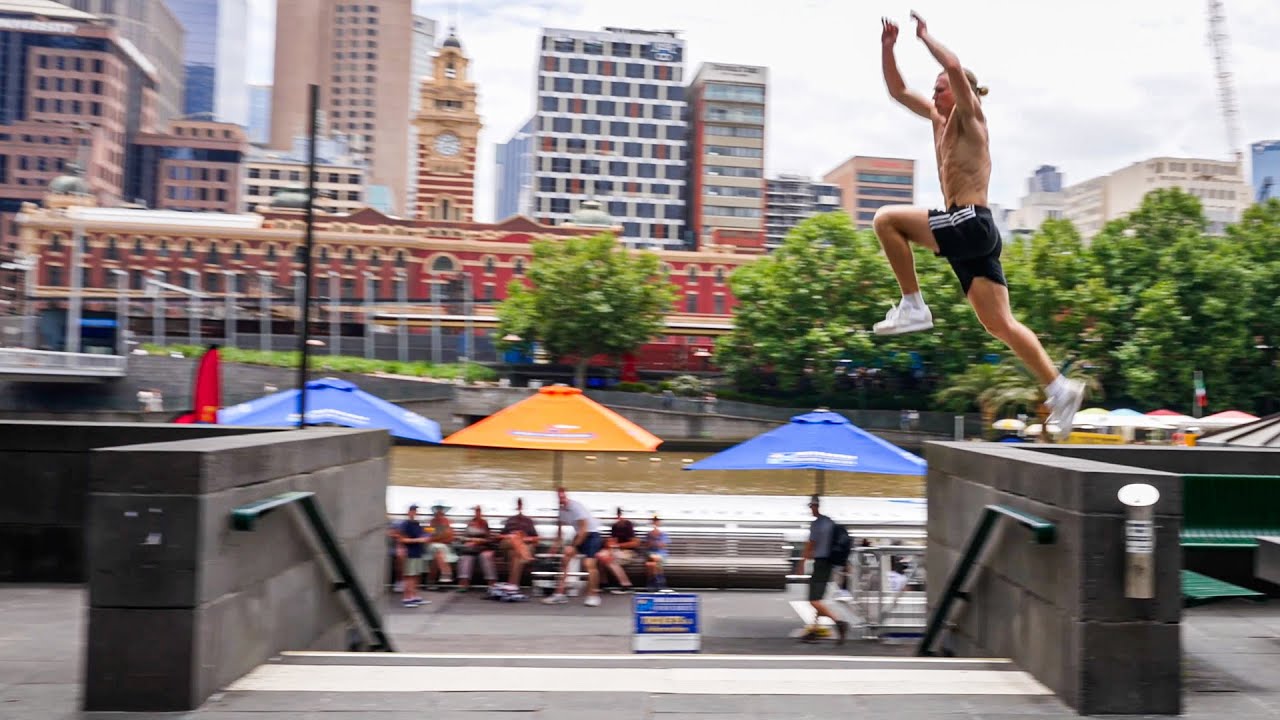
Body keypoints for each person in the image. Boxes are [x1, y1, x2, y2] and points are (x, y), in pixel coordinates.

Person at [873, 12, 1084, 439]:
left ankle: (913, 304)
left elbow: (953, 67)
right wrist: (888, 47)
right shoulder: (937, 121)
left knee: (886, 220)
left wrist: (925, 36)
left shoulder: (972, 119)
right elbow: (897, 90)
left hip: (969, 220)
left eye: (940, 88)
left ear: (961, 91)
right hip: (973, 233)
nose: (934, 93)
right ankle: (1059, 388)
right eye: (933, 89)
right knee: (999, 324)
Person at [797, 496, 848, 644]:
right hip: (829, 563)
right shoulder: (829, 522)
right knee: (818, 598)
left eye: (811, 506)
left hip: (820, 564)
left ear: (814, 506)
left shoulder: (817, 524)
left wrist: (801, 563)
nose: (811, 509)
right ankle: (814, 629)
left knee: (813, 600)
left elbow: (810, 545)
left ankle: (839, 622)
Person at [542, 488, 604, 607]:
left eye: (563, 497)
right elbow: (559, 532)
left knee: (589, 564)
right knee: (565, 558)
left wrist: (573, 546)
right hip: (580, 534)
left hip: (592, 535)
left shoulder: (576, 507)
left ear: (566, 496)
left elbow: (584, 529)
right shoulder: (561, 510)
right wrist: (554, 547)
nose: (562, 500)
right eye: (560, 498)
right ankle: (559, 594)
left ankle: (594, 595)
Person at [456, 505, 497, 592]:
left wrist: (478, 541)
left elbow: (489, 539)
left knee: (486, 557)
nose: (477, 513)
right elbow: (463, 537)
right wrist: (470, 540)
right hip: (470, 549)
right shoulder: (470, 523)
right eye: (476, 511)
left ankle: (492, 583)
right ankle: (464, 583)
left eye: (479, 511)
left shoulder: (484, 523)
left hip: (482, 547)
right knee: (466, 558)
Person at [599, 506, 639, 594]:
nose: (619, 517)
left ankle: (626, 585)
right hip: (617, 551)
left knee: (609, 559)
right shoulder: (615, 526)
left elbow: (635, 543)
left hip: (629, 552)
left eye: (620, 515)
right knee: (601, 556)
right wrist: (609, 545)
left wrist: (617, 546)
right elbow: (613, 541)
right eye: (618, 515)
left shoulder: (628, 525)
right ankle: (604, 583)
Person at [396, 504, 430, 607]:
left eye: (416, 511)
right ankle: (407, 598)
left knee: (416, 576)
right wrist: (417, 540)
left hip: (418, 553)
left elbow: (425, 534)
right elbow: (401, 539)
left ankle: (414, 597)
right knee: (409, 576)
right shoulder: (405, 524)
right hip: (410, 553)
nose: (415, 513)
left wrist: (427, 536)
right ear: (409, 512)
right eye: (413, 511)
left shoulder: (417, 524)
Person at [645, 515, 669, 591]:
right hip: (651, 553)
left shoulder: (663, 534)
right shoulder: (649, 534)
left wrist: (654, 541)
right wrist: (655, 540)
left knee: (653, 563)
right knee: (653, 562)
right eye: (654, 521)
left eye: (657, 521)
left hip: (661, 554)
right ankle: (660, 584)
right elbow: (648, 545)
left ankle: (651, 585)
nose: (655, 522)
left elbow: (662, 546)